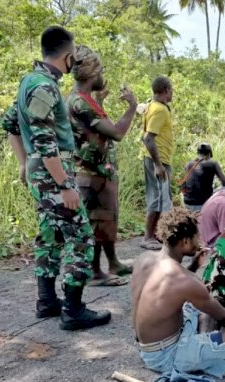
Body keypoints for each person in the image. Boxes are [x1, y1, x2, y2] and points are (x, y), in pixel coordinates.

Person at [0, 26, 110, 330]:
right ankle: (73, 310)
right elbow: (46, 141)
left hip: (42, 172)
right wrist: (64, 184)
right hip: (53, 175)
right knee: (81, 237)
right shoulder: (44, 87)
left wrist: (24, 164)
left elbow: (10, 124)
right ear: (69, 56)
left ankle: (47, 301)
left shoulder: (30, 82)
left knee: (51, 234)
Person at [131, 208, 225, 377]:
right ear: (185, 242)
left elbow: (168, 286)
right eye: (197, 236)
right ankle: (204, 351)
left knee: (200, 306)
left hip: (147, 348)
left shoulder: (144, 258)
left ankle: (202, 343)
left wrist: (195, 266)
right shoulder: (184, 280)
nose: (200, 240)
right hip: (166, 356)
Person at [67, 45, 137, 286]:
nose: (102, 75)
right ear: (91, 73)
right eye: (100, 70)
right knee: (97, 221)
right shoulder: (80, 103)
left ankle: (113, 262)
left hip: (99, 172)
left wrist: (99, 100)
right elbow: (116, 133)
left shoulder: (86, 100)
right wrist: (132, 108)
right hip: (91, 173)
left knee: (107, 218)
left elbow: (95, 130)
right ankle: (96, 272)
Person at [141, 76, 175, 251]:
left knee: (162, 198)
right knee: (157, 198)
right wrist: (158, 164)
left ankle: (156, 234)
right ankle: (148, 237)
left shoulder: (152, 106)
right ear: (166, 89)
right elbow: (148, 138)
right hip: (157, 159)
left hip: (157, 158)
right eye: (172, 90)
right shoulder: (160, 110)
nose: (173, 93)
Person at [181, 143, 225, 212]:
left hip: (188, 203)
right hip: (203, 204)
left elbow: (183, 186)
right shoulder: (213, 163)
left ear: (198, 153)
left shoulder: (188, 164)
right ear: (209, 154)